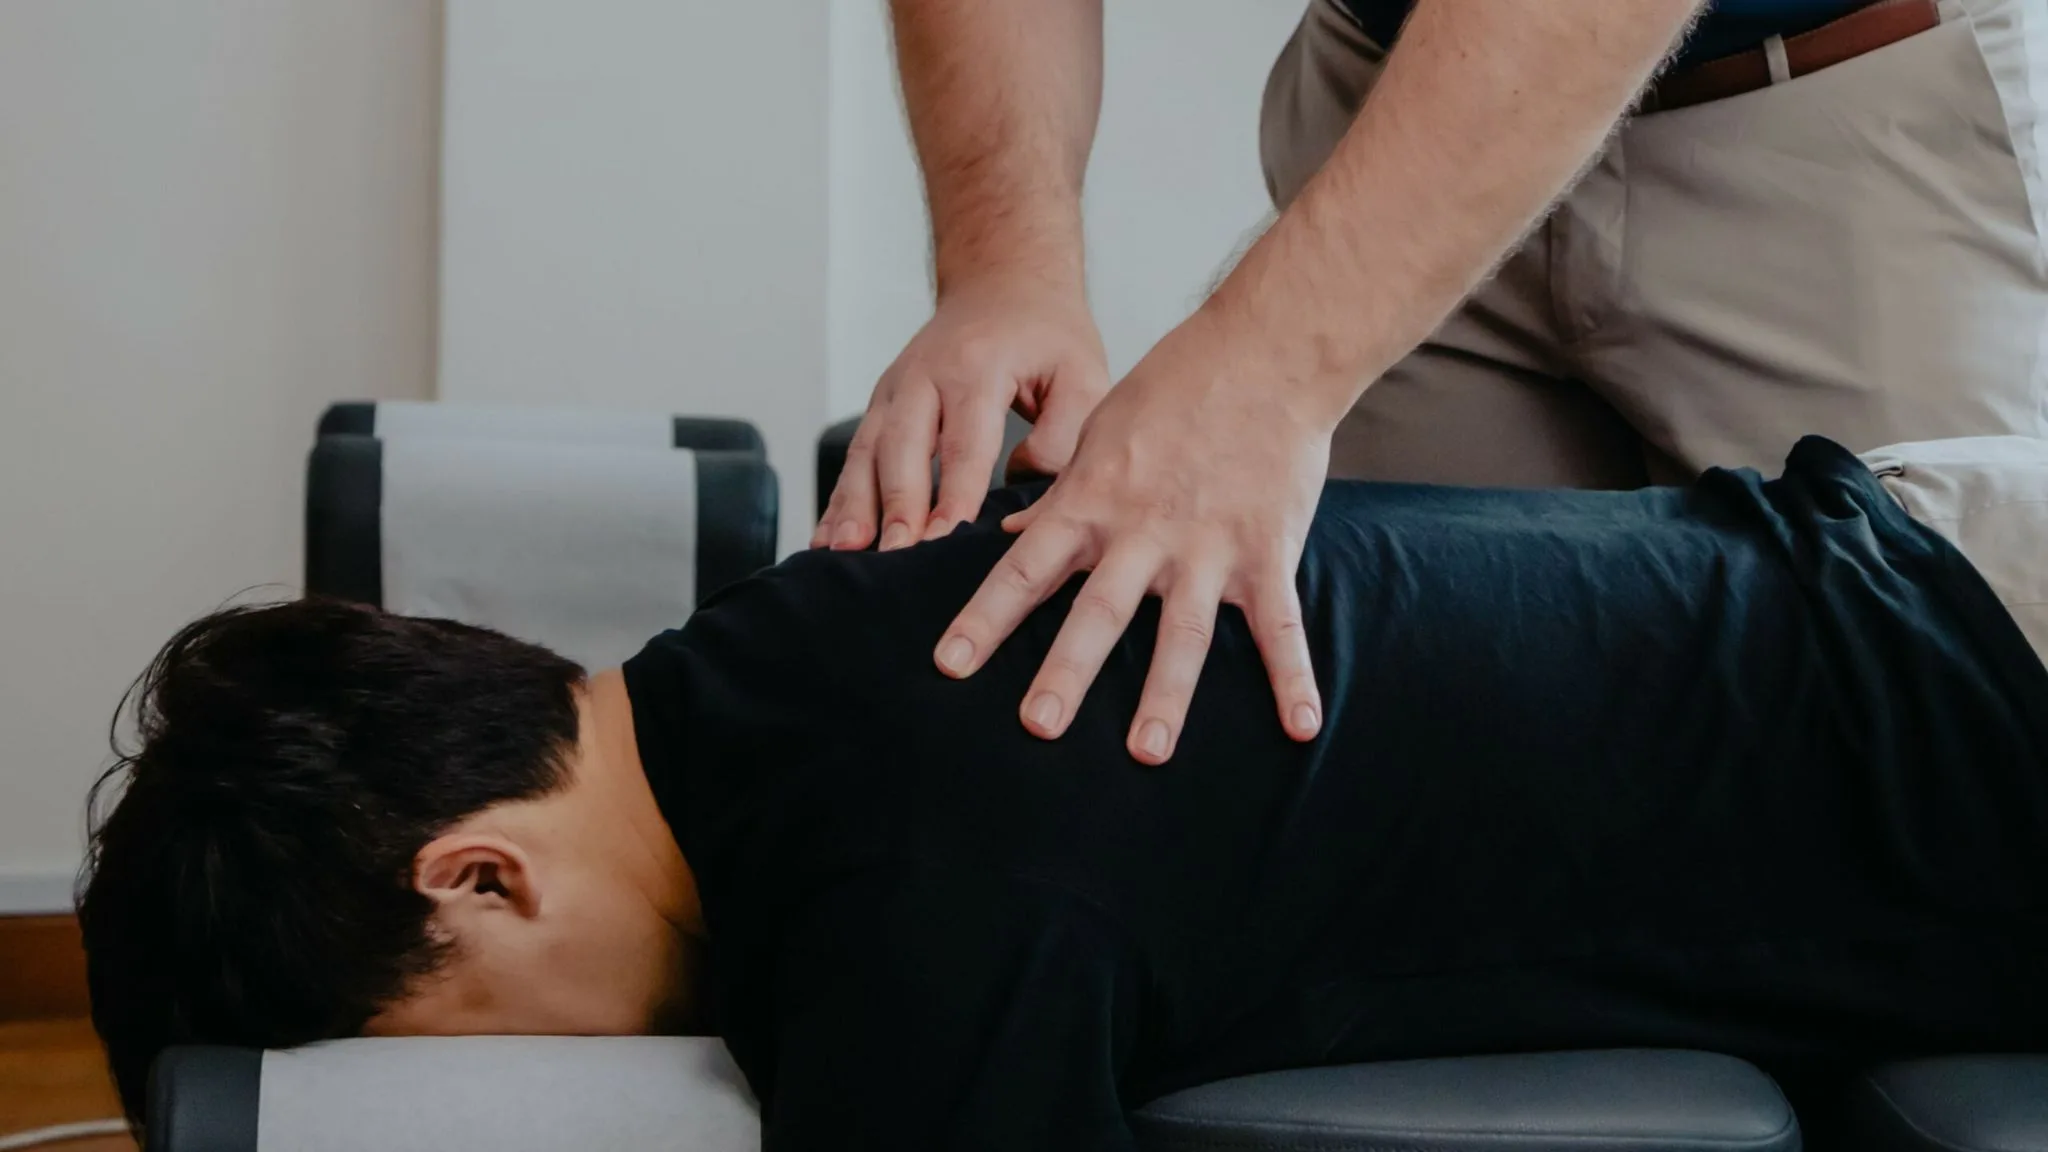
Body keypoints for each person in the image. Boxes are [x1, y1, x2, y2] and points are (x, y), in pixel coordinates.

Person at [81, 436, 2048, 1145]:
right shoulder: (794, 646)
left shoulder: (896, 907)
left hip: (1990, 700)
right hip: (1913, 534)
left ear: (482, 879)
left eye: (449, 1066)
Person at [817, 0, 2048, 772]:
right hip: (1390, 106)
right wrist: (1007, 268)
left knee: (1945, 784)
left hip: (1844, 129)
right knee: (1362, 783)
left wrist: (1265, 365)